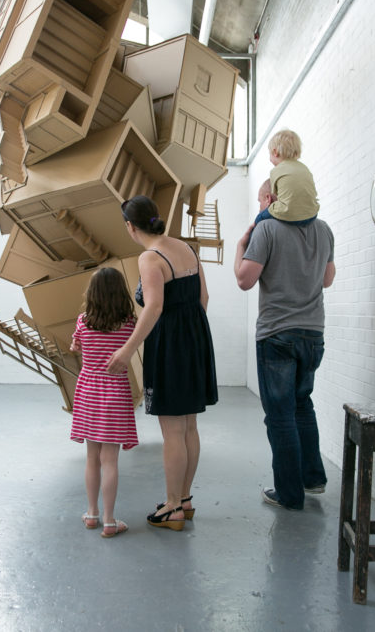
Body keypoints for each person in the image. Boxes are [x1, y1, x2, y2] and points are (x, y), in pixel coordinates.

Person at [106, 195, 218, 531]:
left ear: (130, 226)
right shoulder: (185, 247)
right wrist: (191, 335)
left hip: (169, 345)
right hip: (196, 338)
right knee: (189, 427)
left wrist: (127, 350)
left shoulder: (149, 258)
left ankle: (172, 508)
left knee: (172, 431)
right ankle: (183, 499)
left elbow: (153, 307)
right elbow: (204, 298)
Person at [235, 181, 336, 510]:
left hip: (277, 333)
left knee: (280, 416)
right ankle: (313, 478)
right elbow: (327, 279)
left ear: (270, 198)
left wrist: (241, 245)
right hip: (312, 332)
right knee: (302, 405)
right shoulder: (324, 229)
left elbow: (244, 280)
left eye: (262, 198)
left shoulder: (266, 229)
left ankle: (290, 494)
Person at [69, 267, 139, 538]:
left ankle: (92, 513)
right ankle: (110, 521)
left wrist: (81, 345)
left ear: (93, 294)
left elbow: (76, 346)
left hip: (88, 392)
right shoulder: (129, 324)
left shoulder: (83, 321)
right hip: (115, 394)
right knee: (110, 460)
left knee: (91, 458)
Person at [254, 129, 319, 227]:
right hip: (310, 215)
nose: (269, 158)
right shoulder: (304, 168)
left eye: (269, 154)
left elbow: (275, 196)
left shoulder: (275, 171)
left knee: (260, 218)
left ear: (275, 152)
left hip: (288, 214)